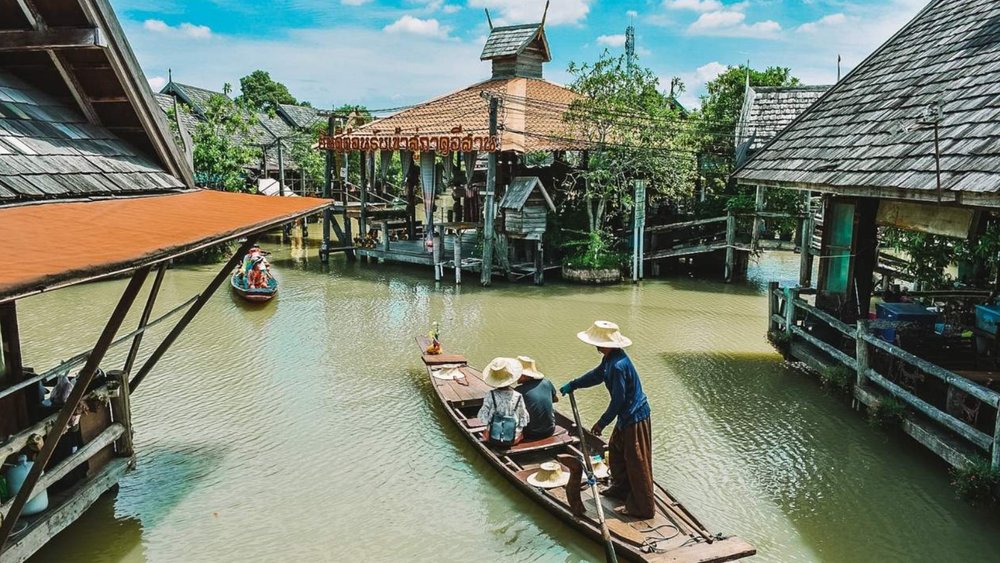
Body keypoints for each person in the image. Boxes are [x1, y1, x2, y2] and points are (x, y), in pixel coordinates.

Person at [559, 320, 654, 519]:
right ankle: (620, 489)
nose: (595, 346)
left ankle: (642, 507)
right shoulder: (610, 360)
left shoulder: (618, 365)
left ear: (604, 344)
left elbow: (618, 399)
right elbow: (596, 375)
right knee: (617, 453)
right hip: (625, 416)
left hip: (635, 416)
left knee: (636, 461)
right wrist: (574, 384)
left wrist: (602, 422)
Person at [478, 357, 530, 447]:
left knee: (485, 431)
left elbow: (483, 418)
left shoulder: (490, 395)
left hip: (493, 438)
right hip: (513, 439)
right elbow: (524, 420)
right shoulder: (518, 396)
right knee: (521, 433)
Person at [514, 356, 558, 441]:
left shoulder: (518, 391)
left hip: (530, 434)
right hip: (550, 430)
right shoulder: (547, 382)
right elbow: (555, 399)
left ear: (525, 376)